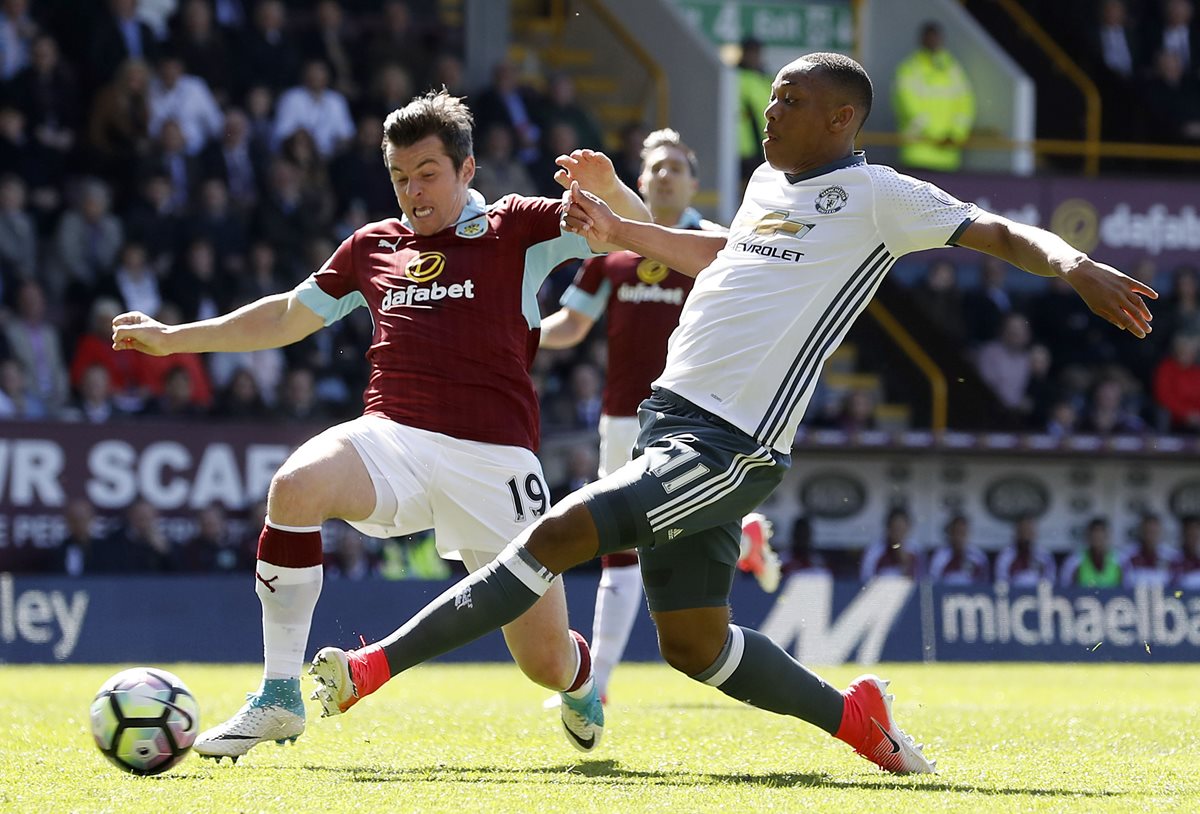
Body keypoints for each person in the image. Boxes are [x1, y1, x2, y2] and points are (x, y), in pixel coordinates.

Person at [307, 53, 1156, 776]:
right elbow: (718, 256)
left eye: (789, 101)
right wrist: (623, 228)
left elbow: (998, 231)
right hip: (669, 421)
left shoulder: (878, 196)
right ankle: (857, 718)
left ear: (841, 117)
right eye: (772, 98)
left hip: (734, 441)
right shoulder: (764, 184)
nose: (770, 112)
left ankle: (372, 668)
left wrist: (1075, 264)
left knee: (560, 533)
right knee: (695, 646)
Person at [112, 89, 651, 761]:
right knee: (296, 487)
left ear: (467, 170)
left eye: (428, 173)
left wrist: (613, 191)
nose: (413, 191)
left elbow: (634, 233)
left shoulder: (518, 229)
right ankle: (279, 696)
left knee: (541, 661)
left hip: (496, 462)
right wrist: (174, 338)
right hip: (393, 438)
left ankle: (579, 681)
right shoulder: (372, 246)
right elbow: (285, 315)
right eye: (400, 177)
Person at [538, 128, 779, 702]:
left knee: (625, 548)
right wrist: (514, 337)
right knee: (620, 549)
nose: (666, 175)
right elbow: (572, 326)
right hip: (624, 418)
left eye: (677, 166)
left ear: (695, 182)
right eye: (655, 167)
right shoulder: (612, 254)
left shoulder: (718, 245)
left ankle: (595, 687)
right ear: (638, 181)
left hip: (699, 417)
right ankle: (741, 535)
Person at [893, 21, 975, 172]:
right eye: (929, 37)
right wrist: (939, 136)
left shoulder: (953, 69)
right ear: (921, 40)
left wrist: (956, 134)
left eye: (936, 37)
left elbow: (965, 105)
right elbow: (908, 107)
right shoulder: (910, 69)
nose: (933, 41)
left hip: (949, 157)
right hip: (917, 155)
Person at [994, 515, 1057, 587]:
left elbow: (1050, 580)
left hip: (1039, 595)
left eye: (1029, 530)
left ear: (1034, 533)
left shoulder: (1044, 555)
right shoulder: (1006, 555)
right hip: (1013, 594)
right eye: (1023, 530)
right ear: (1017, 533)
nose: (1026, 535)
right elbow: (1001, 582)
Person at [1061, 517, 1123, 588]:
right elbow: (1065, 590)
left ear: (1107, 536)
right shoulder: (1074, 561)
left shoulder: (1120, 560)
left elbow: (1128, 590)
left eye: (1101, 536)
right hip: (1083, 598)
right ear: (1088, 536)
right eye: (1094, 536)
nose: (1097, 539)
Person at [928, 514, 989, 585]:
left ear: (968, 533)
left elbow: (985, 583)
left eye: (962, 533)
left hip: (972, 595)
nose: (959, 537)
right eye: (956, 532)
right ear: (950, 533)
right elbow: (933, 582)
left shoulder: (978, 556)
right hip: (946, 594)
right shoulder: (940, 556)